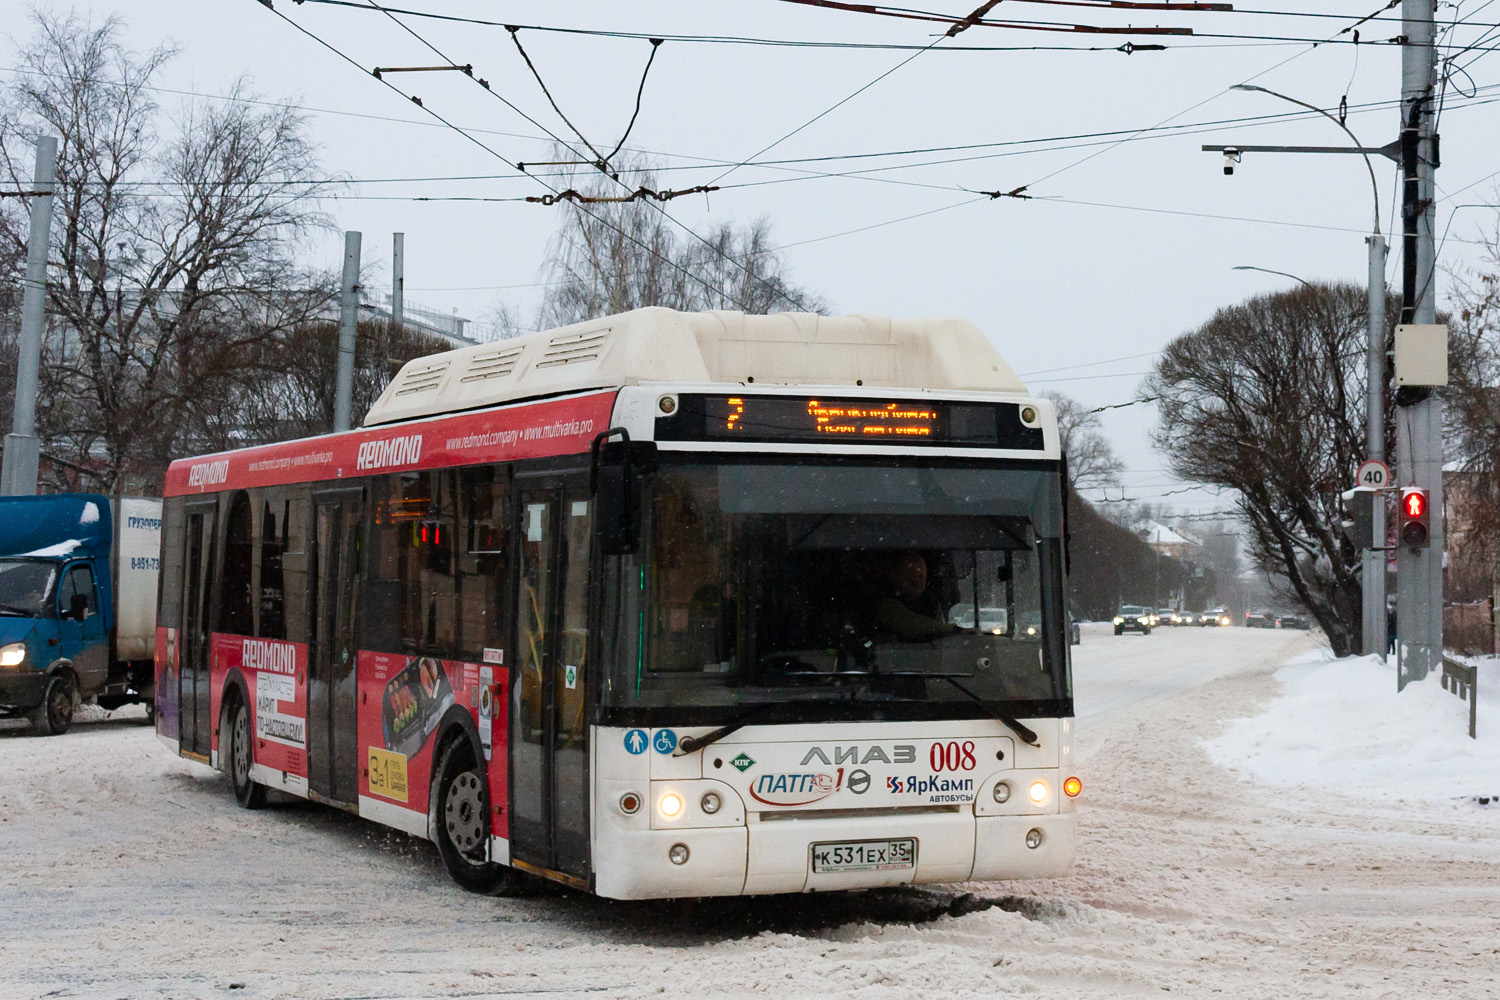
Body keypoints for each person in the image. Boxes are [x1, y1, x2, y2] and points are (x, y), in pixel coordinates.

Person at [877, 552, 961, 641]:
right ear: (898, 577)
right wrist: (954, 629)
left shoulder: (932, 603)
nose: (917, 581)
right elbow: (913, 624)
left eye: (921, 576)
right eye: (911, 576)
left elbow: (938, 634)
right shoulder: (886, 604)